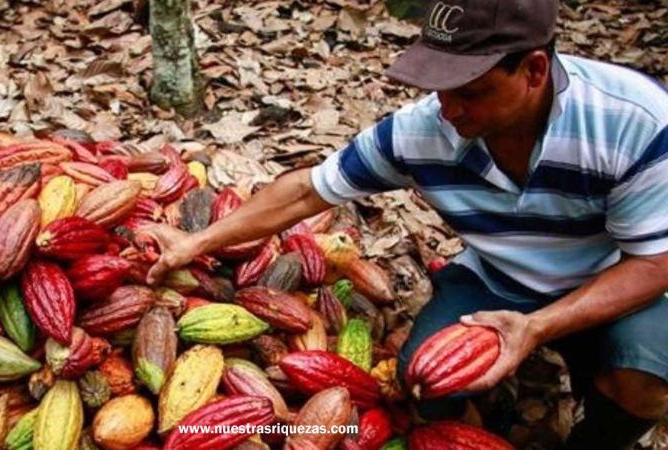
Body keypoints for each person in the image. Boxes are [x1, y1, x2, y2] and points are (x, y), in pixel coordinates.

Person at [144, 0, 668, 448]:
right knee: (426, 381)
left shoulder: (632, 122)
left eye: (470, 90)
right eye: (439, 87)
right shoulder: (425, 131)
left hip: (613, 277)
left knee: (643, 381)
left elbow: (656, 262)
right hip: (497, 278)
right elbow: (307, 189)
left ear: (533, 70)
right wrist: (196, 242)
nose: (447, 109)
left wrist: (538, 328)